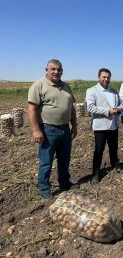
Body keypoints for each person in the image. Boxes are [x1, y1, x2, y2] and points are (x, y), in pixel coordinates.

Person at [27, 59, 79, 199]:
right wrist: (36, 130)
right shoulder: (39, 85)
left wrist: (74, 125)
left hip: (65, 129)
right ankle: (44, 189)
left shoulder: (66, 86)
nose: (56, 72)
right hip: (48, 129)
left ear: (62, 71)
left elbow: (71, 108)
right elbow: (31, 110)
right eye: (53, 69)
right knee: (46, 161)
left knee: (64, 159)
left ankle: (64, 183)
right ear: (47, 70)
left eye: (59, 69)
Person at [86, 68, 123, 184]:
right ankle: (96, 173)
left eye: (108, 77)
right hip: (100, 126)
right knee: (99, 150)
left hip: (113, 125)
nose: (106, 79)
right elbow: (90, 107)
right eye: (104, 77)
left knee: (114, 147)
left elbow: (122, 104)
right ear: (99, 77)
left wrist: (118, 109)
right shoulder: (92, 91)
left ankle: (115, 165)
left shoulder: (113, 91)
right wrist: (108, 110)